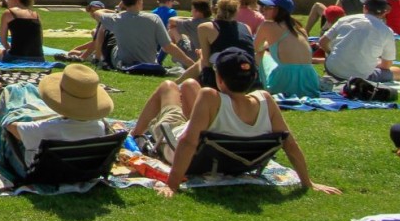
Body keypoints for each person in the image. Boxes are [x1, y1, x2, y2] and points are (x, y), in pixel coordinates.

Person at [131, 48, 339, 197]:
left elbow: (187, 142)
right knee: (189, 85)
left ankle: (135, 134)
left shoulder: (210, 96)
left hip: (189, 155)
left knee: (168, 86)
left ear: (219, 78)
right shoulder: (265, 100)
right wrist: (307, 182)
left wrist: (172, 185)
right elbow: (289, 144)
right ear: (254, 76)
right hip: (238, 160)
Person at [0, 64, 116, 178]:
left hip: (40, 173)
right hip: (85, 172)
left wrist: (16, 115)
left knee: (11, 95)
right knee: (25, 93)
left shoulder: (46, 128)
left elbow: (9, 126)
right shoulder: (100, 126)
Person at [92, 0, 194, 70]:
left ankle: (97, 58)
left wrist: (117, 10)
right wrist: (190, 63)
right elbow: (168, 46)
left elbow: (97, 13)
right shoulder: (153, 18)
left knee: (103, 26)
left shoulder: (116, 18)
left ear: (124, 2)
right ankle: (96, 58)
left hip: (122, 61)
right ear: (138, 1)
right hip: (148, 61)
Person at [321, 0, 400, 83]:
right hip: (360, 77)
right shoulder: (387, 31)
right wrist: (373, 64)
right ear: (384, 12)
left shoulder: (345, 19)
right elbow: (386, 65)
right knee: (397, 71)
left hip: (333, 70)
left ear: (364, 8)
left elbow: (323, 42)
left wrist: (331, 53)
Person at [253, 0, 319, 99]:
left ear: (279, 10)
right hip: (310, 80)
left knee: (260, 54)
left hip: (284, 81)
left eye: (268, 7)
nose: (263, 10)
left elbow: (256, 48)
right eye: (263, 7)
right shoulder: (300, 29)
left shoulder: (267, 25)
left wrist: (266, 47)